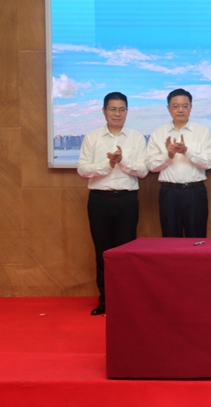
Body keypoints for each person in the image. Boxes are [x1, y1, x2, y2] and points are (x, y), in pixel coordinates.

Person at [77, 92, 148, 315]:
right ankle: (105, 299)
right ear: (104, 111)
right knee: (103, 251)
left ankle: (125, 300)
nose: (117, 114)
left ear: (127, 111)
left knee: (125, 251)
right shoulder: (92, 138)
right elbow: (82, 169)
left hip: (127, 200)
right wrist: (107, 165)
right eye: (113, 109)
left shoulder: (136, 138)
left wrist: (122, 161)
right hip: (99, 200)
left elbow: (143, 171)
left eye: (121, 109)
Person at [145, 88, 211, 238]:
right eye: (175, 106)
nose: (180, 110)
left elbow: (208, 163)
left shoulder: (202, 132)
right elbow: (151, 166)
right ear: (168, 108)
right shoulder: (159, 133)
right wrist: (168, 155)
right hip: (169, 193)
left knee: (196, 238)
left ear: (191, 107)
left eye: (185, 106)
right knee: (170, 238)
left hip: (194, 192)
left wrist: (186, 151)